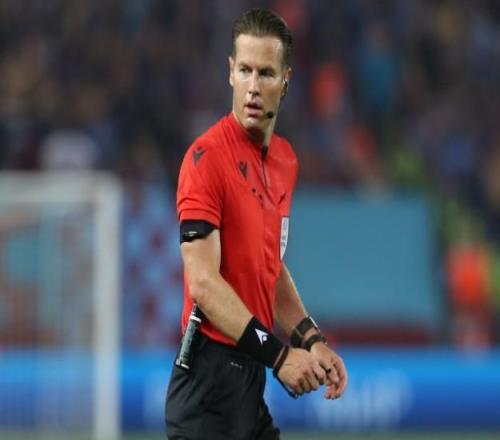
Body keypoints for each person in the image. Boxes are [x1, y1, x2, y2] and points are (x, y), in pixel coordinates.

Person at [165, 8, 347, 440]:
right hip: (206, 389)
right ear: (230, 72)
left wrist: (311, 339)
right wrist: (280, 357)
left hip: (249, 386)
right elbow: (203, 284)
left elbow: (268, 267)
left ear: (285, 81)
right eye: (244, 70)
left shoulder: (285, 161)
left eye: (265, 73)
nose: (252, 85)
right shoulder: (205, 160)